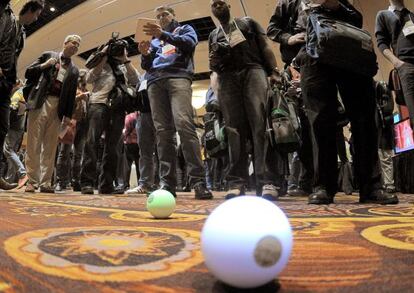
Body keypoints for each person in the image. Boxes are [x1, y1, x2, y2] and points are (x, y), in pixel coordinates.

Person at [297, 0, 398, 204]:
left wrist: (336, 6)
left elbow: (357, 19)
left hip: (350, 54)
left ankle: (371, 186)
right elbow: (275, 29)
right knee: (320, 122)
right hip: (312, 57)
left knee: (364, 118)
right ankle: (323, 186)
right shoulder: (289, 3)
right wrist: (288, 38)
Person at [209, 0, 284, 200]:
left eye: (221, 1)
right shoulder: (213, 35)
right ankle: (237, 182)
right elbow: (213, 65)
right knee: (234, 130)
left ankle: (267, 180)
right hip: (227, 79)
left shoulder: (248, 22)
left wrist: (273, 71)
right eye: (213, 3)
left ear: (228, 5)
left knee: (260, 126)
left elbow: (264, 47)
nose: (217, 4)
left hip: (253, 71)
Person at [138, 5, 213, 199]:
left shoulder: (185, 29)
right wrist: (145, 54)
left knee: (184, 125)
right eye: (158, 16)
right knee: (163, 132)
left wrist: (163, 34)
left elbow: (188, 44)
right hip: (154, 82)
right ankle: (167, 183)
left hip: (178, 77)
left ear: (173, 16)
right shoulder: (153, 40)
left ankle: (198, 181)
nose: (162, 18)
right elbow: (146, 65)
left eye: (165, 14)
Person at [80, 41, 139, 195]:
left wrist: (125, 59)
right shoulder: (101, 63)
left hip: (118, 108)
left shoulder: (123, 66)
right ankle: (86, 182)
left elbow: (136, 80)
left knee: (113, 148)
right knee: (91, 143)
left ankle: (106, 184)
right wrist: (103, 57)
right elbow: (89, 78)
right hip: (98, 104)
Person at [24, 34, 81, 193]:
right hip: (40, 102)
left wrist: (68, 115)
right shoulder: (48, 55)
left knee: (50, 146)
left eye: (78, 45)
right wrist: (45, 65)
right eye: (73, 43)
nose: (75, 46)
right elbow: (29, 72)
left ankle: (46, 182)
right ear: (64, 43)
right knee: (33, 142)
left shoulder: (74, 70)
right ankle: (32, 181)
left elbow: (70, 95)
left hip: (59, 108)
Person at [375, 0, 414, 128]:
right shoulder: (383, 15)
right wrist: (398, 63)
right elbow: (381, 43)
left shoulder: (411, 15)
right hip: (406, 67)